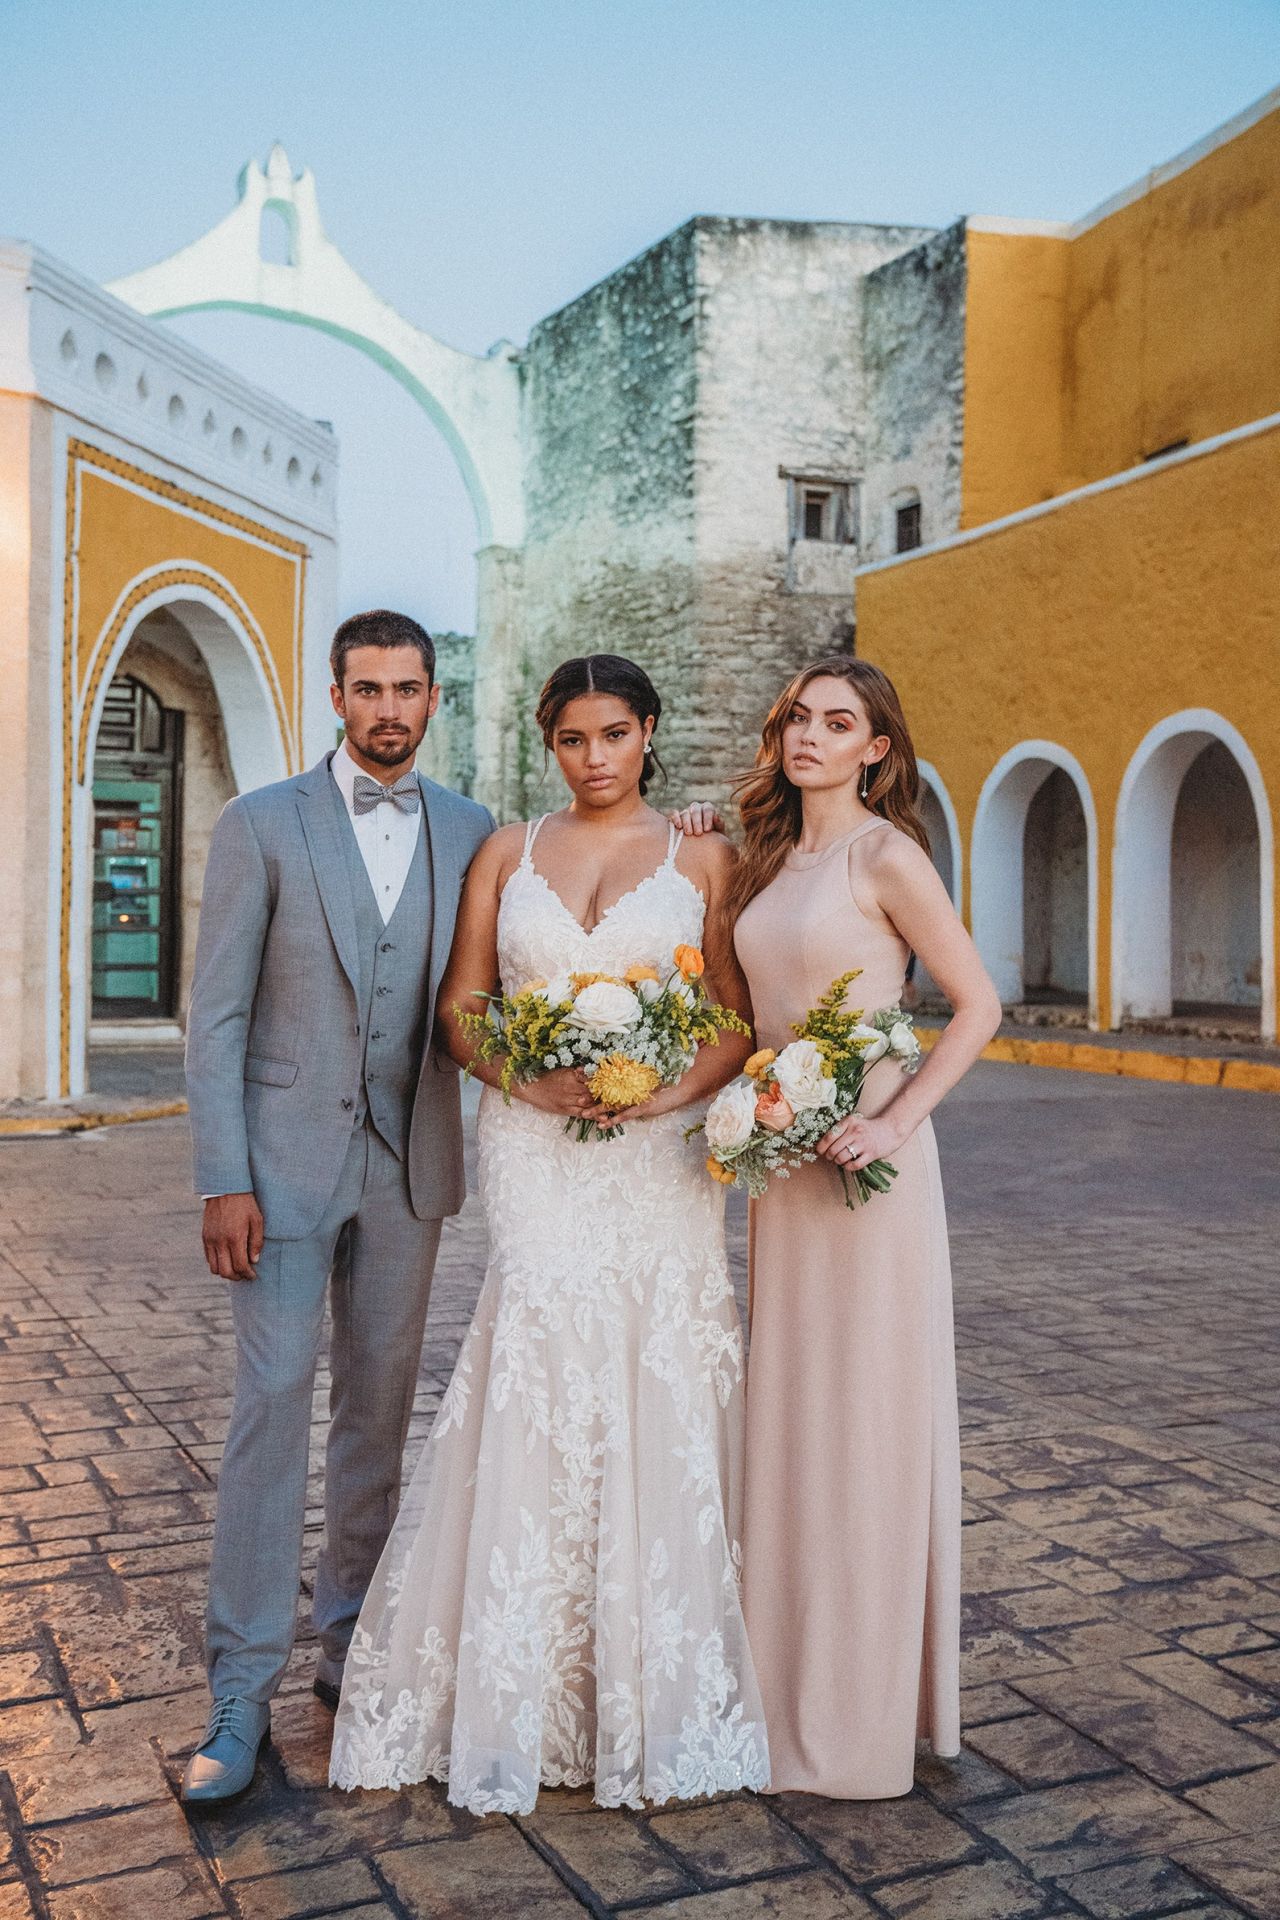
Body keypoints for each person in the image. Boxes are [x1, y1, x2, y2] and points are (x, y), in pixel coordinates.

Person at [329, 654, 770, 1813]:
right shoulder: (503, 852)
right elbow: (461, 1006)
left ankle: (652, 1677)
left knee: (654, 1368)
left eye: (613, 735)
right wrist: (534, 1086)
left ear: (647, 732)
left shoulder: (705, 856)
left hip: (658, 1152)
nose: (592, 759)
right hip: (534, 1144)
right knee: (538, 1359)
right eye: (571, 740)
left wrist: (658, 1093)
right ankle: (514, 1680)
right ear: (550, 746)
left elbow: (733, 1016)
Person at [180, 610, 494, 1803]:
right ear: (334, 694)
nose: (388, 710)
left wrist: (684, 835)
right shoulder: (262, 824)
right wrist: (223, 1174)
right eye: (367, 688)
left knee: (377, 1414)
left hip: (408, 1166)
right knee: (270, 1409)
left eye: (408, 688)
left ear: (432, 697)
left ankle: (349, 1640)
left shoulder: (472, 832)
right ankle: (238, 1689)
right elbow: (213, 1018)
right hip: (278, 1167)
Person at [678, 656, 1000, 1799]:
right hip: (782, 1178)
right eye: (797, 719)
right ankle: (778, 1689)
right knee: (794, 1422)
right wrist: (697, 832)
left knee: (861, 1427)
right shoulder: (765, 858)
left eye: (837, 723)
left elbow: (976, 1003)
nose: (810, 737)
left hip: (865, 1177)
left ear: (874, 747)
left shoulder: (884, 854)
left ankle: (853, 1721)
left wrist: (897, 1123)